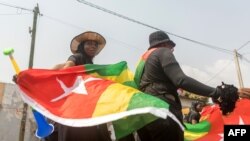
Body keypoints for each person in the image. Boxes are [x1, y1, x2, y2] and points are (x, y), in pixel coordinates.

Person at [135, 30, 240, 141]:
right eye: (171, 47)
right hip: (162, 111)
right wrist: (217, 92)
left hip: (143, 115)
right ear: (165, 44)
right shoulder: (162, 51)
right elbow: (181, 80)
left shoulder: (142, 64)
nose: (172, 50)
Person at [50, 31, 111, 141]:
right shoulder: (78, 57)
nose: (92, 46)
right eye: (89, 43)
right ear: (82, 46)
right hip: (75, 107)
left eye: (95, 45)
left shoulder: (92, 66)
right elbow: (66, 66)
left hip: (86, 108)